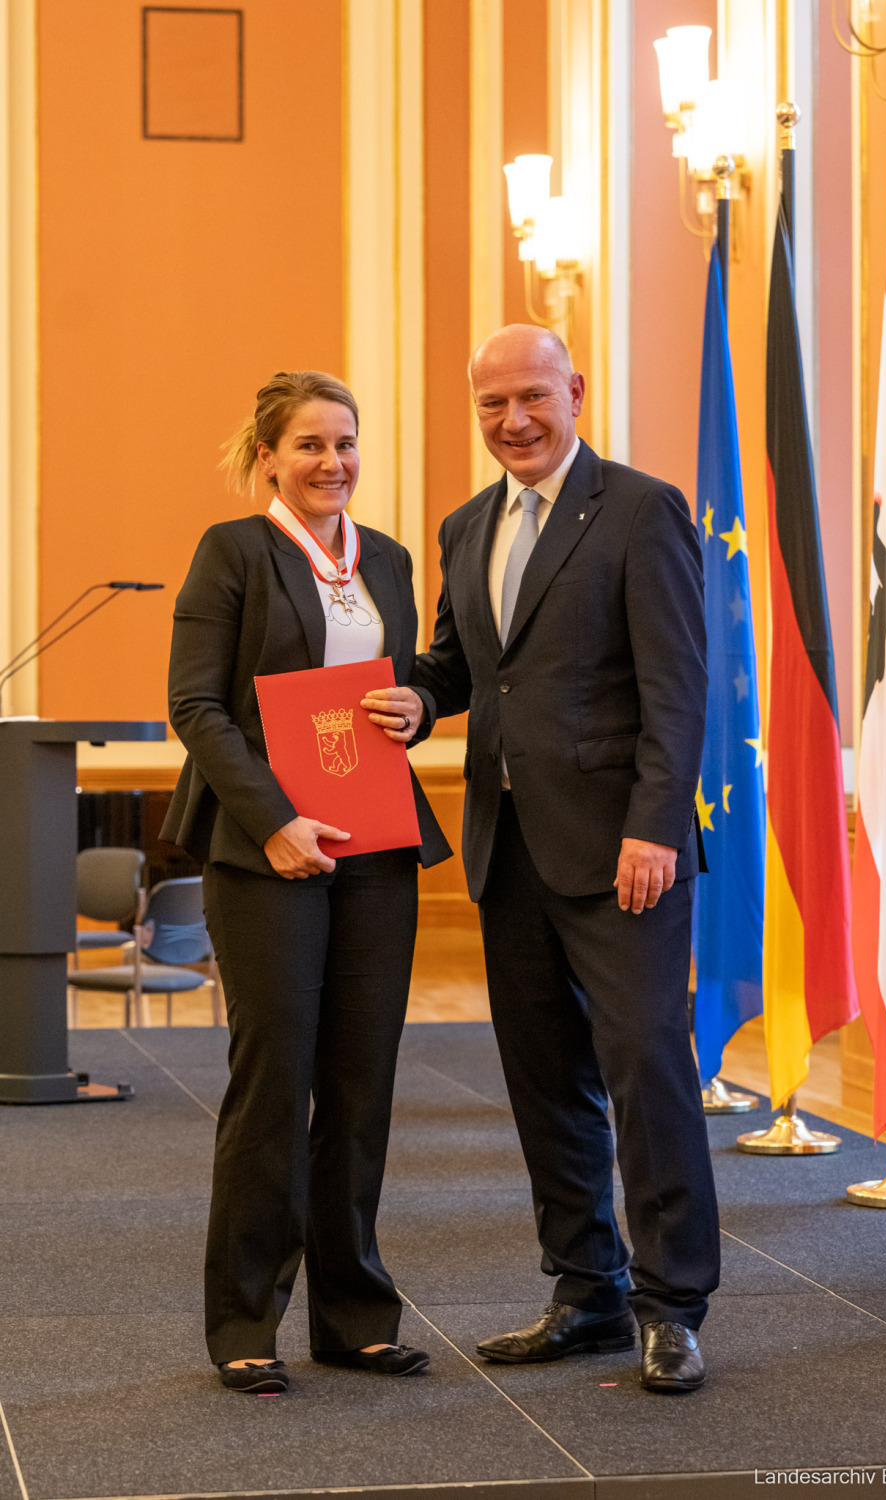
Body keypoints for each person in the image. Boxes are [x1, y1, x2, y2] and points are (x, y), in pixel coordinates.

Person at [405, 324, 720, 1393]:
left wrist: (654, 827)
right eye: (491, 405)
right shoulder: (463, 526)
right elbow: (463, 669)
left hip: (621, 850)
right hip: (509, 850)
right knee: (546, 1085)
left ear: (574, 391)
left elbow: (679, 689)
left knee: (647, 1074)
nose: (514, 422)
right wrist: (415, 694)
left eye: (532, 397)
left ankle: (672, 1304)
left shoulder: (639, 509)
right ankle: (584, 1290)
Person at [161, 370, 450, 1394]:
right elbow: (195, 707)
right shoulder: (233, 552)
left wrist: (416, 703)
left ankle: (355, 1316)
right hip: (267, 853)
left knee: (363, 1086)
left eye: (346, 443)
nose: (333, 463)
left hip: (376, 850)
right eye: (310, 445)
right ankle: (245, 1320)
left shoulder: (396, 562)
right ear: (268, 455)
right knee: (274, 1086)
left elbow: (406, 684)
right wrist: (277, 822)